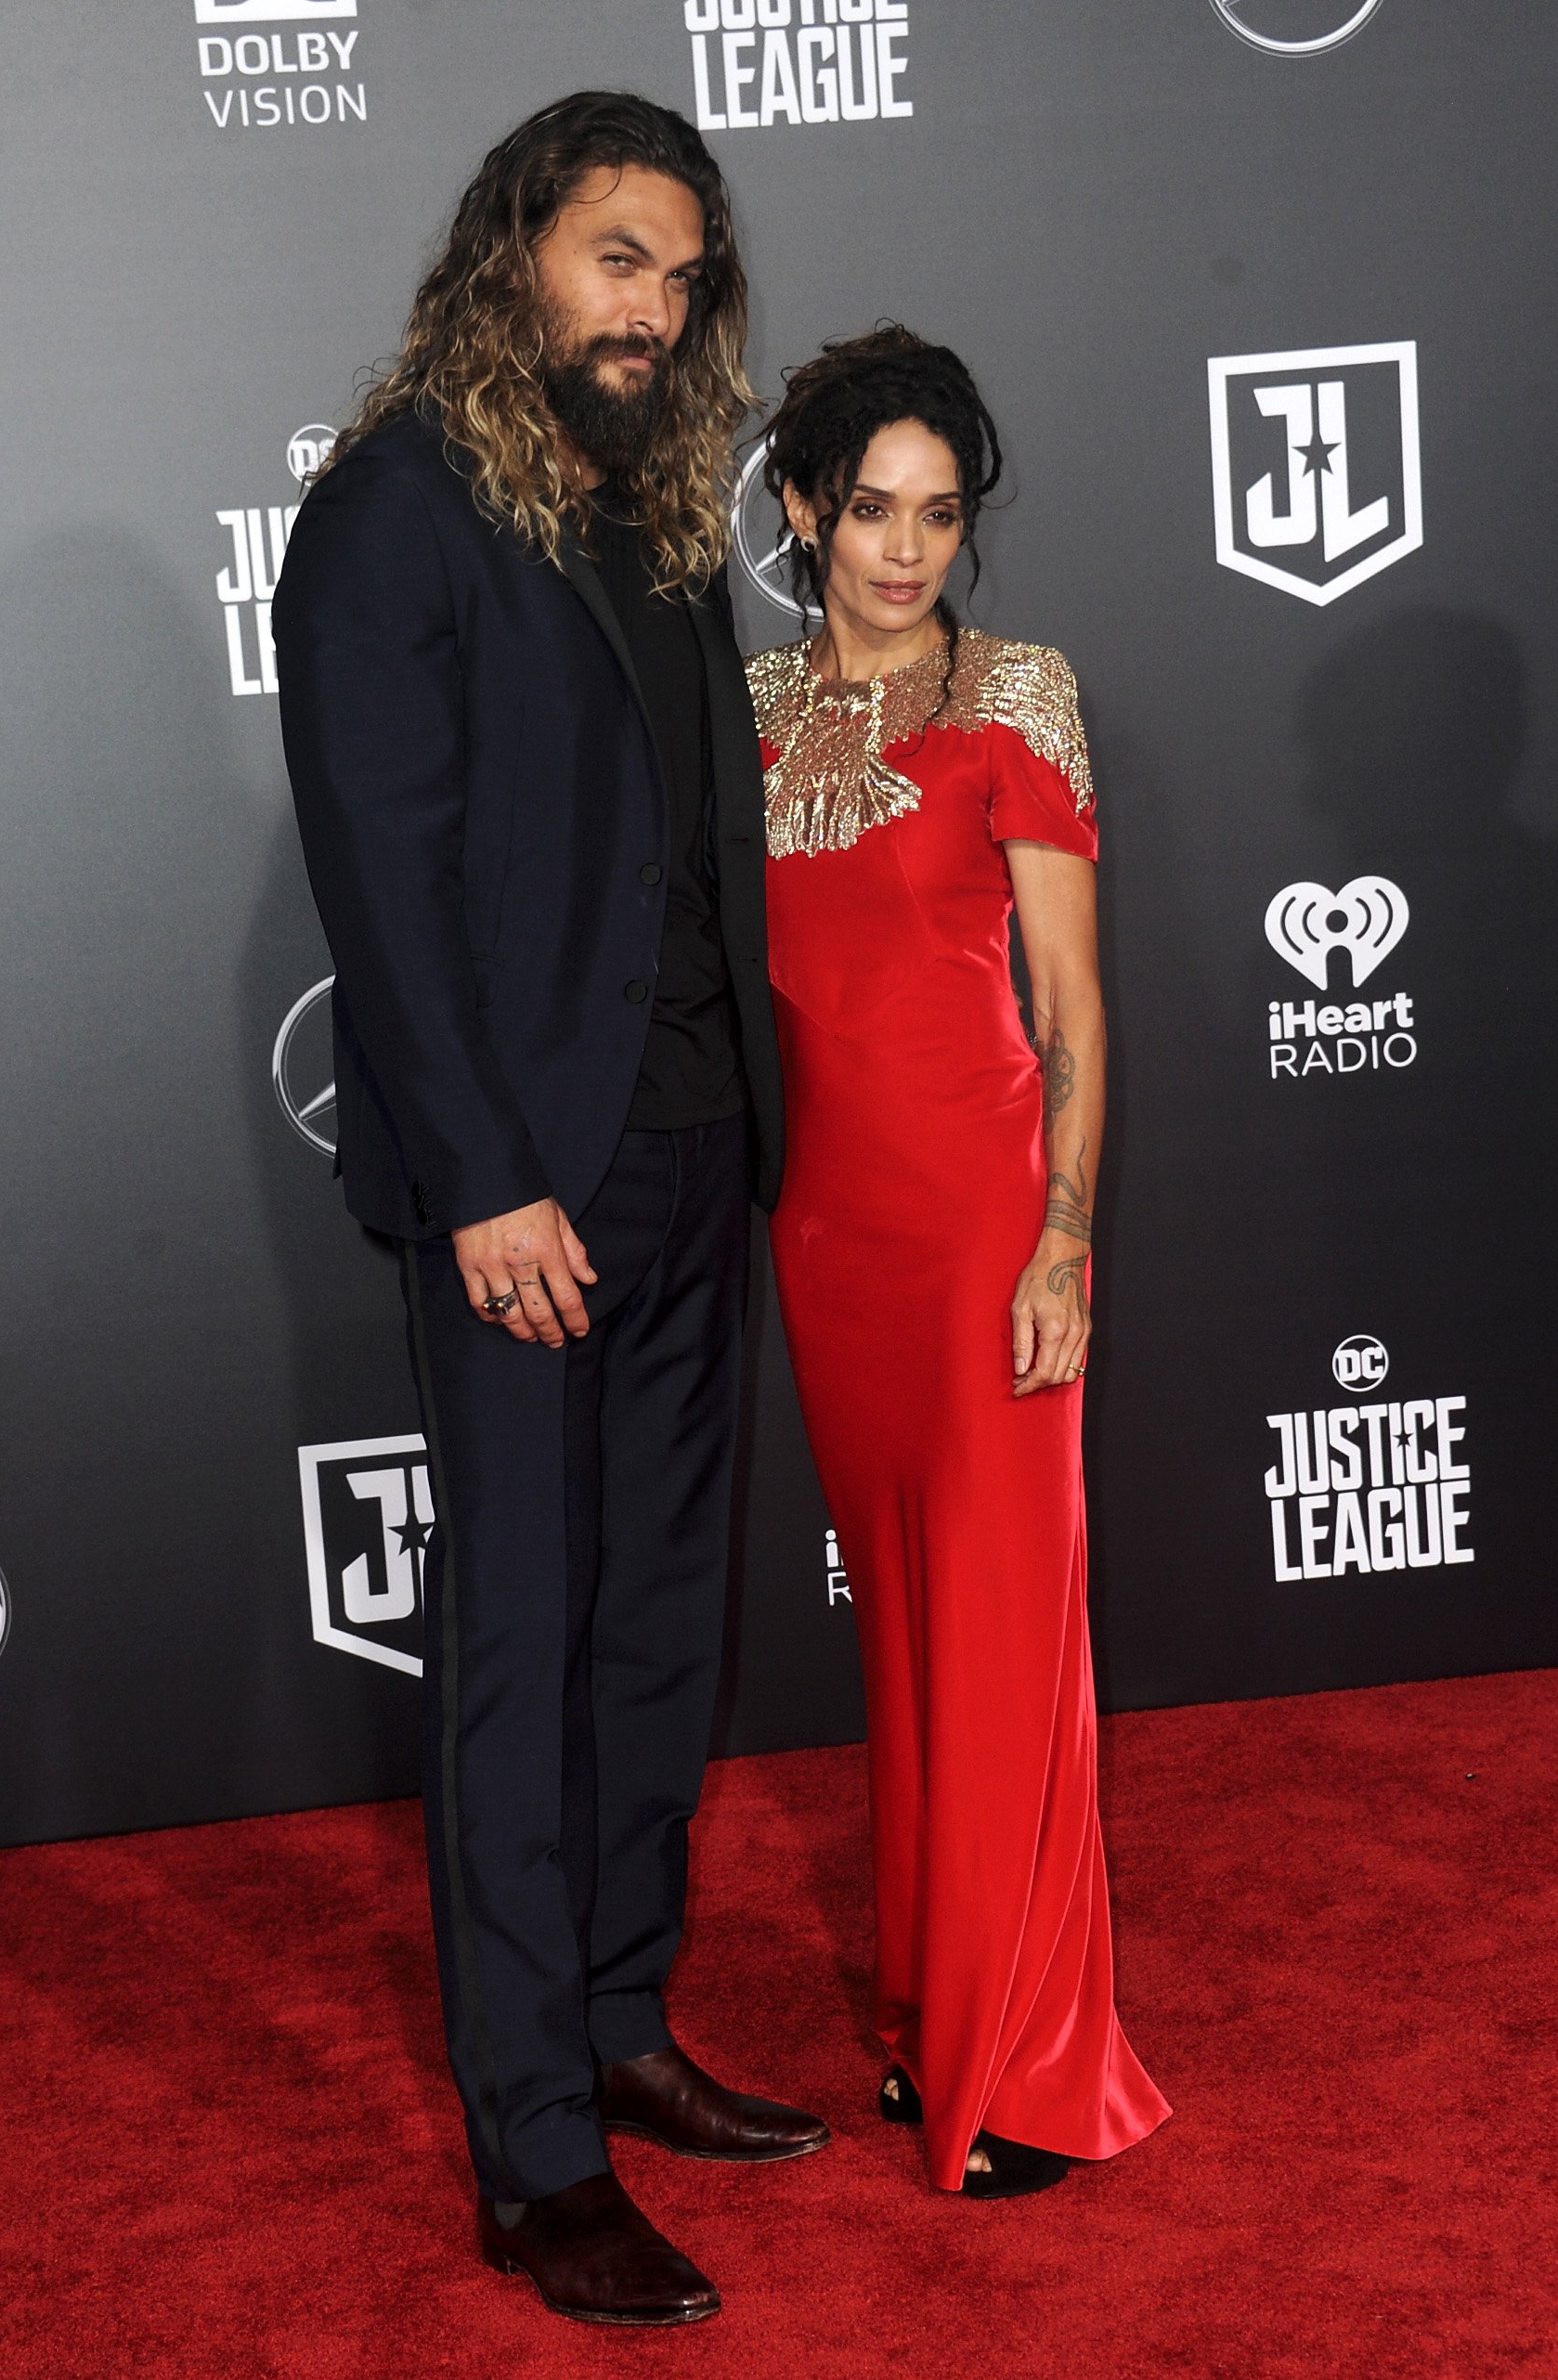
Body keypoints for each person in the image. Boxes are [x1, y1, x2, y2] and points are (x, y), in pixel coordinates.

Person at [273, 93, 827, 2330]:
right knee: (519, 1652)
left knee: (653, 1630)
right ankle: (532, 2148)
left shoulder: (653, 504)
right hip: (531, 1183)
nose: (653, 308)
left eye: (683, 273)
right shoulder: (398, 510)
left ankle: (617, 2013)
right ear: (517, 251)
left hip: (697, 1149)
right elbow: (382, 881)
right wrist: (489, 1171)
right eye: (617, 257)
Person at [746, 328, 1170, 2198]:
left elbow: (1071, 1005)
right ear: (800, 507)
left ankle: (1033, 2058)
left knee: (1003, 1642)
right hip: (827, 1237)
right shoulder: (741, 716)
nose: (904, 550)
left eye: (938, 514)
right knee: (909, 1643)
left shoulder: (1020, 700)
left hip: (994, 1221)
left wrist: (1067, 1232)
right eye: (869, 510)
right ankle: (941, 2012)